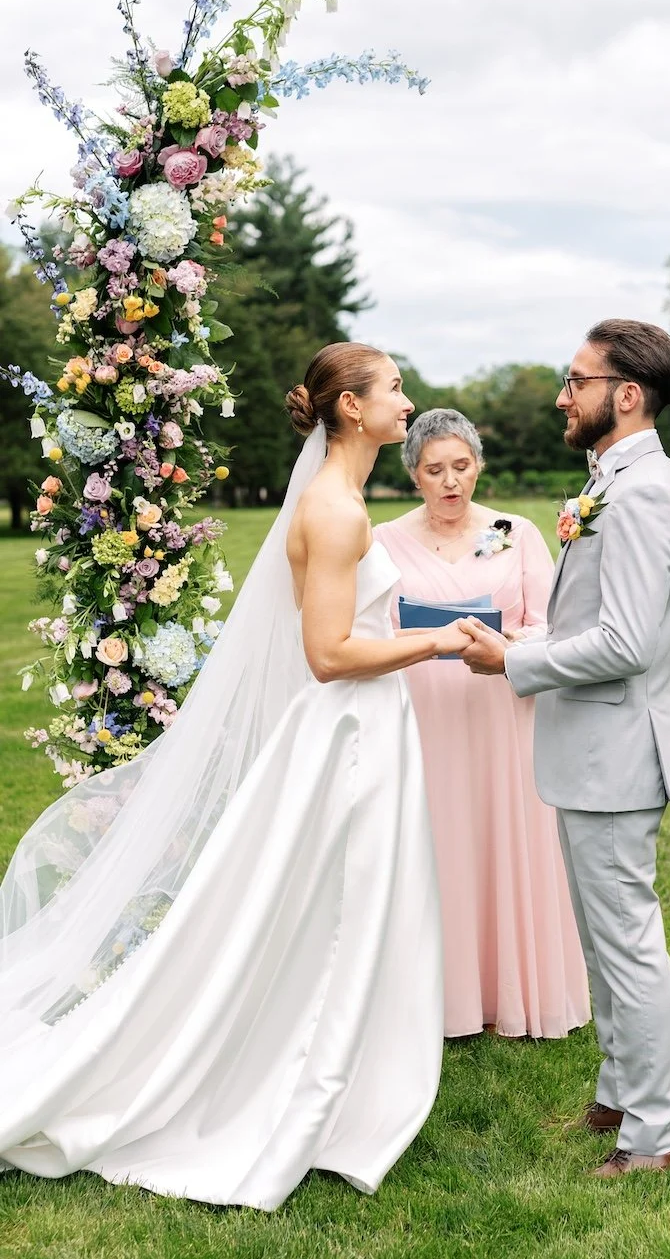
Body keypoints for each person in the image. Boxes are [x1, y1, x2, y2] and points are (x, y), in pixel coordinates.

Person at [0, 342, 471, 1209]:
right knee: (342, 911)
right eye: (396, 389)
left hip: (365, 728)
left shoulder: (343, 496)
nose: (410, 402)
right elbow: (328, 654)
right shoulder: (336, 511)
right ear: (353, 409)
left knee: (341, 911)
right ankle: (311, 1094)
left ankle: (344, 1074)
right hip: (351, 735)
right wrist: (441, 641)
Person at [461, 319, 670, 1179]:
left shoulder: (639, 494)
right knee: (604, 942)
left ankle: (656, 1137)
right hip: (590, 749)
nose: (563, 396)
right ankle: (620, 1095)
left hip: (614, 755)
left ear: (624, 395)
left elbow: (628, 641)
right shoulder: (612, 481)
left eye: (576, 381)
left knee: (627, 942)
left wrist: (515, 659)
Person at [375, 409, 590, 1039]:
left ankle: (509, 991)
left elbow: (553, 623)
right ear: (413, 474)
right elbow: (371, 628)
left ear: (479, 465)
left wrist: (513, 640)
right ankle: (437, 998)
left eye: (461, 467)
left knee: (500, 835)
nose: (450, 482)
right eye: (434, 470)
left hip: (498, 705)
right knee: (435, 839)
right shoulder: (384, 541)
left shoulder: (515, 532)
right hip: (424, 711)